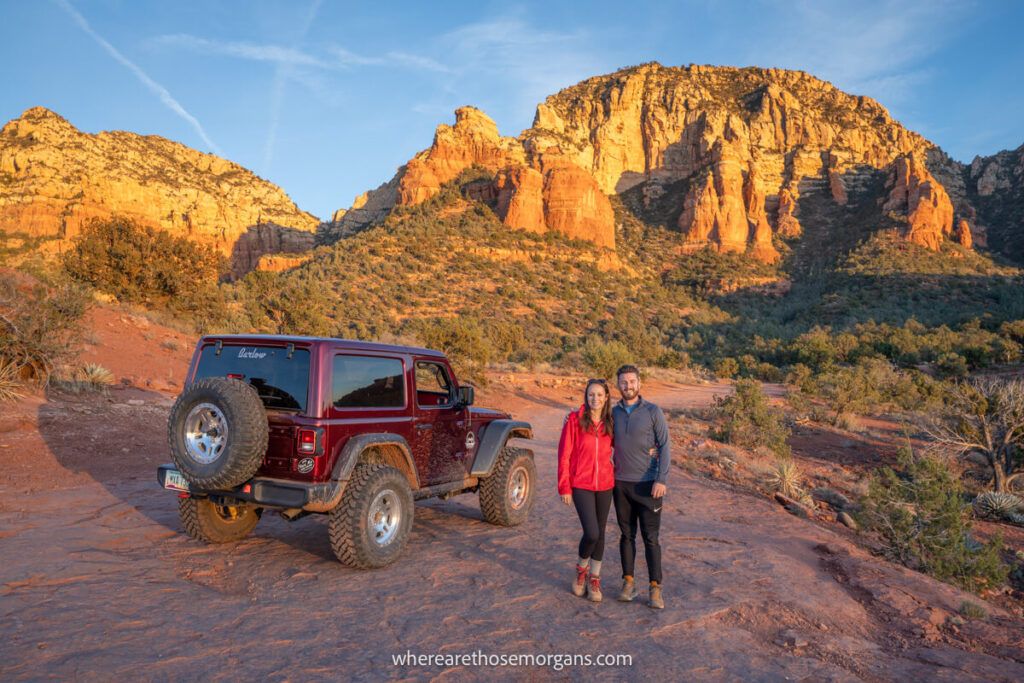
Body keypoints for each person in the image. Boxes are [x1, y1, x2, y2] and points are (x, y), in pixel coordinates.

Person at [611, 364, 671, 609]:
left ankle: (655, 588)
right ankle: (628, 583)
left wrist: (661, 479)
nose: (628, 386)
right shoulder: (613, 413)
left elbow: (664, 445)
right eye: (623, 382)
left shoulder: (653, 411)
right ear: (618, 385)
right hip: (620, 484)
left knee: (651, 538)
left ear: (639, 383)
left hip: (648, 486)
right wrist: (570, 418)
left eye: (632, 381)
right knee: (626, 536)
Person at [557, 378, 615, 602]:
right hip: (581, 483)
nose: (595, 399)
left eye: (599, 394)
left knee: (600, 533)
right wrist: (564, 486)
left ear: (606, 397)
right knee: (591, 532)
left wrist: (650, 450)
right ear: (586, 396)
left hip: (606, 484)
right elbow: (564, 455)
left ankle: (595, 578)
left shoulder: (611, 422)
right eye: (591, 394)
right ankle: (582, 569)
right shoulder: (574, 420)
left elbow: (626, 446)